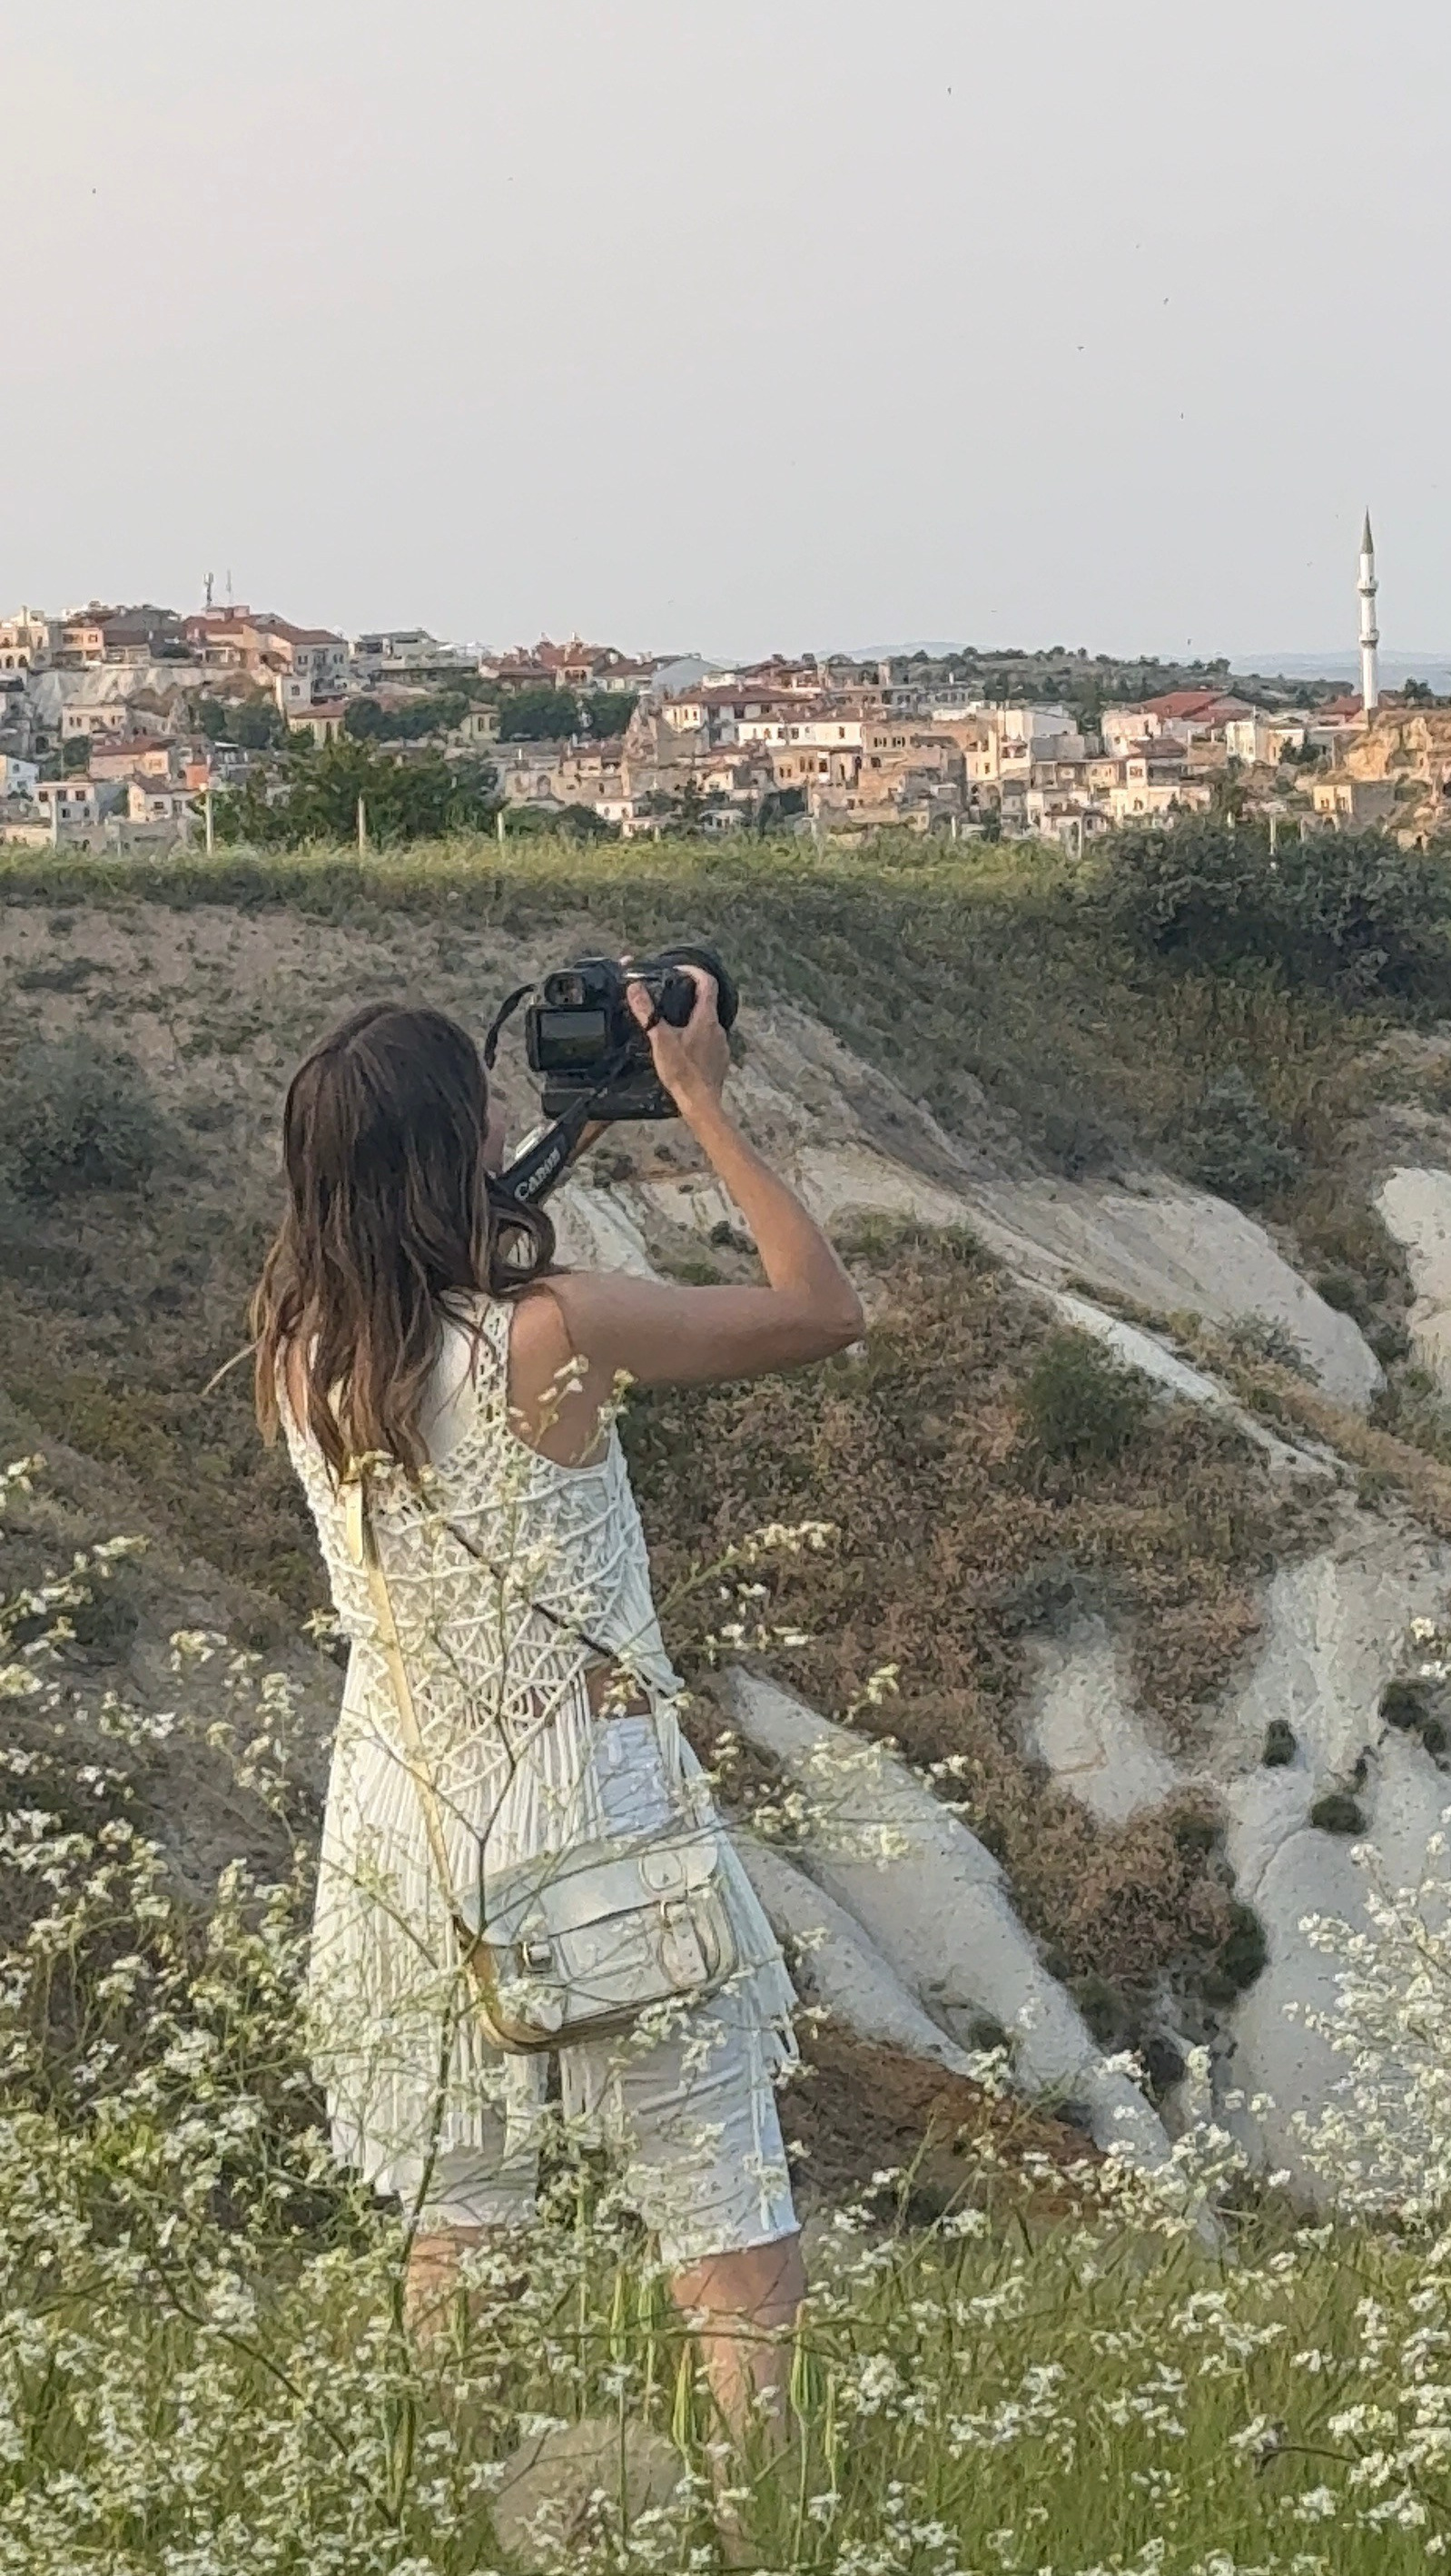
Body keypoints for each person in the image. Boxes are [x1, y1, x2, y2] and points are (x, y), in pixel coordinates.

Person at [252, 969, 864, 2443]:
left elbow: (423, 1275)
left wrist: (567, 1134)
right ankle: (753, 2523)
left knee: (462, 2220)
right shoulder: (548, 1331)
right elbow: (818, 1307)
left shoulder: (302, 1355)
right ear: (451, 1150)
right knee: (730, 2232)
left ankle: (464, 2501)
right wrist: (701, 1096)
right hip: (594, 1817)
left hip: (407, 1830)